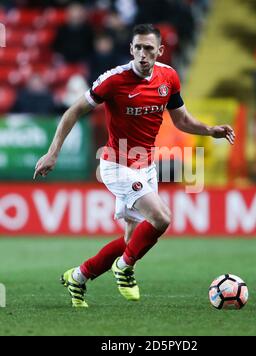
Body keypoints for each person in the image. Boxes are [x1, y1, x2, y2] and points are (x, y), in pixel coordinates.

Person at [33, 24, 235, 308]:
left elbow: (182, 121)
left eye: (149, 48)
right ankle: (124, 269)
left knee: (131, 242)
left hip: (145, 166)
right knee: (162, 218)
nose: (142, 54)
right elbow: (73, 111)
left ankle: (78, 277)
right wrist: (53, 153)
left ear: (160, 51)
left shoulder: (169, 77)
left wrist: (210, 130)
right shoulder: (113, 80)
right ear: (131, 49)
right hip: (116, 164)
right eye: (137, 47)